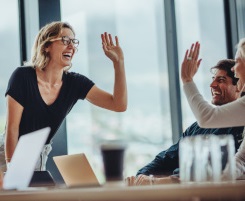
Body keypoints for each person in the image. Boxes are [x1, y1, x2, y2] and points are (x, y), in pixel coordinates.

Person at [3, 21, 127, 171]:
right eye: (65, 41)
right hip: (7, 153)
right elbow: (12, 128)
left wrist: (118, 63)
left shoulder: (75, 83)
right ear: (46, 46)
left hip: (38, 156)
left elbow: (118, 105)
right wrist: (12, 168)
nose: (72, 47)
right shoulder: (22, 76)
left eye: (74, 42)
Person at [126, 59, 244, 186]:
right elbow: (169, 157)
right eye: (213, 79)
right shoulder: (197, 127)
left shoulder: (240, 128)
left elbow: (212, 171)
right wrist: (142, 175)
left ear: (239, 86)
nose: (212, 85)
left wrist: (157, 181)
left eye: (221, 80)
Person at [181, 39, 245, 178]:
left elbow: (207, 117)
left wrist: (187, 80)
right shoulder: (193, 129)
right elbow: (241, 161)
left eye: (238, 61)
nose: (234, 68)